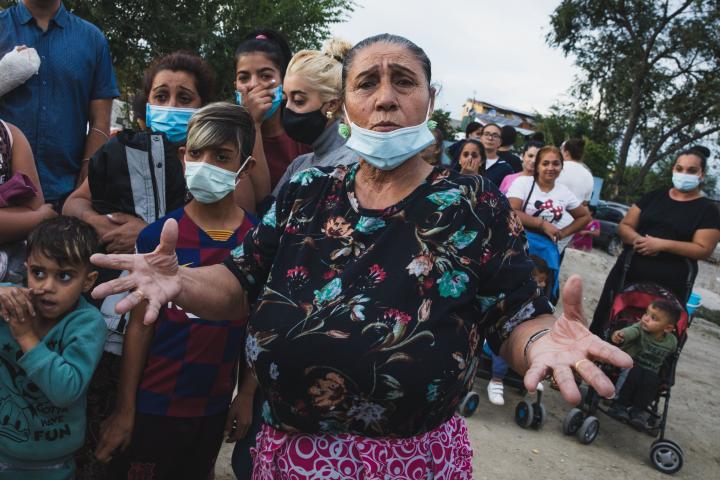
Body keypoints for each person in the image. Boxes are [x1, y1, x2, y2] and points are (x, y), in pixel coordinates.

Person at [89, 34, 631, 479]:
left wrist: (541, 341)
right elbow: (239, 282)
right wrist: (180, 282)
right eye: (367, 83)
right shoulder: (306, 192)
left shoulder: (473, 204)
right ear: (343, 104)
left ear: (430, 100)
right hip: (281, 457)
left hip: (406, 465)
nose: (385, 98)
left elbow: (516, 315)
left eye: (404, 82)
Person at [62, 51, 216, 480]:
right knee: (103, 440)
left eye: (184, 98)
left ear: (202, 107)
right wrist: (102, 224)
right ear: (145, 104)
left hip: (179, 335)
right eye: (161, 95)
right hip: (117, 322)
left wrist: (147, 234)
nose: (171, 105)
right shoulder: (120, 151)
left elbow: (219, 234)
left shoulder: (211, 164)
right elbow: (74, 203)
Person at [92, 103, 258, 479]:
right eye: (197, 153)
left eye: (222, 156)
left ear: (245, 168)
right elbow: (140, 328)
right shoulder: (159, 236)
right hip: (155, 402)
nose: (205, 164)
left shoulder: (257, 241)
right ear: (183, 157)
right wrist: (125, 410)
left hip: (213, 406)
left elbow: (258, 329)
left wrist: (246, 395)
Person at [0, 216, 105, 479]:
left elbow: (65, 390)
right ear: (26, 270)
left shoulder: (86, 324)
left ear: (88, 281)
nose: (47, 287)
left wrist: (26, 336)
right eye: (38, 273)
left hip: (52, 463)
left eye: (64, 276)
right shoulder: (9, 301)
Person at [0, 0, 119, 209]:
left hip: (68, 196)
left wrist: (86, 179)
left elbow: (100, 122)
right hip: (4, 198)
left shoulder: (92, 40)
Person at [591, 149, 720, 335]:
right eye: (679, 168)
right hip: (626, 275)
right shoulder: (654, 197)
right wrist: (638, 240)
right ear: (673, 169)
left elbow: (703, 249)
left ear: (702, 174)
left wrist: (662, 245)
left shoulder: (708, 210)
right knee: (606, 323)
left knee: (651, 337)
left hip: (670, 286)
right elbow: (625, 226)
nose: (684, 174)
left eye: (691, 170)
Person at [233, 28, 309, 208]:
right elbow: (259, 202)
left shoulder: (303, 137)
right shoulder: (229, 138)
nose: (253, 85)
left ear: (284, 83)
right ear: (235, 85)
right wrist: (253, 123)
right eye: (244, 77)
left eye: (265, 76)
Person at [272, 37, 357, 196]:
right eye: (285, 98)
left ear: (332, 105)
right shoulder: (298, 165)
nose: (287, 108)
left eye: (299, 101)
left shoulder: (354, 164)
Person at [608, 300, 680, 429]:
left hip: (651, 370)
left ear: (668, 328)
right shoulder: (640, 328)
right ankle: (619, 404)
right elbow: (631, 331)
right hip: (630, 363)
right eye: (646, 313)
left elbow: (671, 355)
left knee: (653, 380)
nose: (645, 318)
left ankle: (638, 410)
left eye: (653, 318)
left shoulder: (672, 342)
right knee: (634, 372)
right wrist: (621, 335)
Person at [0, 119, 57, 282]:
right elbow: (38, 215)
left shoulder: (9, 135)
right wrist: (40, 218)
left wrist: (34, 218)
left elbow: (34, 207)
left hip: (17, 273)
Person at [506, 145, 591, 253]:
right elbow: (511, 211)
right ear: (537, 166)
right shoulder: (523, 183)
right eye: (545, 163)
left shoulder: (565, 192)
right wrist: (541, 224)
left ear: (561, 167)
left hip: (544, 251)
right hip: (516, 245)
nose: (551, 168)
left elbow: (585, 217)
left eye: (556, 164)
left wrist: (562, 233)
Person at [557, 138, 594, 206]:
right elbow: (585, 203)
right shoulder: (589, 175)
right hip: (574, 212)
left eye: (561, 150)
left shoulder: (557, 168)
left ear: (566, 153)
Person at [479, 123, 514, 187]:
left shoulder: (506, 169)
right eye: (486, 134)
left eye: (495, 136)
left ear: (500, 142)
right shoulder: (470, 159)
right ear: (480, 138)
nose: (490, 138)